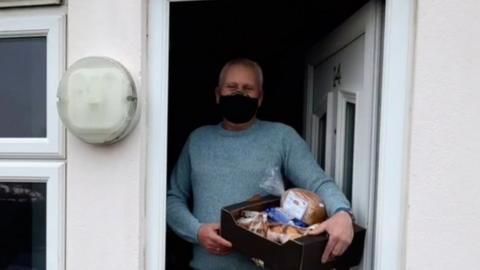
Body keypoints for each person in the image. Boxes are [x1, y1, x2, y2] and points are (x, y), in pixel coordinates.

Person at [167, 58, 354, 270]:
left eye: (248, 89)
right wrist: (197, 231)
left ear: (260, 97)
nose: (239, 94)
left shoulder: (282, 137)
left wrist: (341, 212)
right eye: (232, 87)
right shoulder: (198, 140)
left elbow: (318, 181)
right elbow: (173, 198)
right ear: (218, 94)